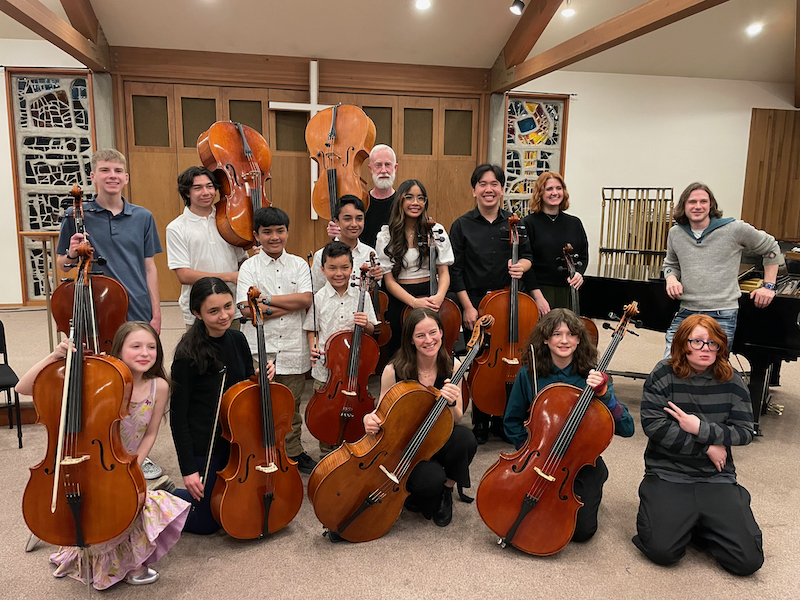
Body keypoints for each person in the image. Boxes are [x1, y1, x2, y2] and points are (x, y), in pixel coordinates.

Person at [16, 322, 189, 588]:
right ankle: (94, 553)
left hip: (123, 464)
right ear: (118, 350)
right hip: (90, 463)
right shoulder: (96, 379)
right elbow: (23, 388)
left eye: (151, 347)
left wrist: (134, 466)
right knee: (99, 511)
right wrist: (54, 357)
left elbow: (151, 432)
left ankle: (131, 561)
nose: (145, 352)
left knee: (133, 505)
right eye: (136, 346)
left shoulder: (159, 387)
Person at [632, 314, 763, 576]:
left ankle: (703, 519)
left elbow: (745, 432)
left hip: (716, 477)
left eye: (713, 343)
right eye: (698, 342)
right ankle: (690, 519)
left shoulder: (733, 381)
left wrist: (700, 428)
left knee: (748, 562)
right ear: (683, 343)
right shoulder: (663, 374)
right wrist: (707, 446)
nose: (706, 349)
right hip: (668, 473)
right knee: (663, 552)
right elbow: (654, 426)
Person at [503, 308, 634, 542]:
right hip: (538, 457)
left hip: (579, 460)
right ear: (545, 338)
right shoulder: (529, 374)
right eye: (556, 334)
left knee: (582, 533)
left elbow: (627, 429)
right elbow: (511, 421)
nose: (564, 340)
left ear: (579, 339)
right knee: (515, 511)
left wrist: (605, 395)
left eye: (571, 334)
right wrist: (530, 452)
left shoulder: (594, 376)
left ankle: (589, 493)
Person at [170, 277, 274, 535]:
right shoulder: (187, 354)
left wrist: (260, 377)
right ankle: (166, 496)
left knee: (237, 504)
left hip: (238, 440)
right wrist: (189, 470)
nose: (224, 315)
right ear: (197, 313)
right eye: (213, 311)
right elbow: (177, 416)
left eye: (228, 306)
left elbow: (247, 387)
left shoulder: (238, 339)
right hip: (206, 444)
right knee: (208, 523)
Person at [363, 308, 477, 527]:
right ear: (411, 340)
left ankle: (447, 490)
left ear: (442, 333)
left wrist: (452, 402)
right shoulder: (393, 370)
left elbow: (457, 418)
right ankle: (425, 487)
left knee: (465, 439)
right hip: (407, 445)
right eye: (420, 335)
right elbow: (380, 414)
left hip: (438, 437)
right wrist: (368, 420)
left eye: (433, 332)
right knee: (428, 484)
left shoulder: (453, 366)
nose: (429, 340)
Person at [450, 163, 533, 444]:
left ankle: (503, 417)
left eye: (494, 183)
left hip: (507, 302)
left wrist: (520, 266)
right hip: (474, 300)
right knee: (478, 360)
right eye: (483, 184)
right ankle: (481, 418)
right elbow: (455, 270)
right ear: (474, 190)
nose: (489, 189)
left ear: (502, 189)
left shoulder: (516, 222)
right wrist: (467, 307)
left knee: (507, 361)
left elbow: (528, 256)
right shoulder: (461, 225)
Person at [237, 207, 316, 473]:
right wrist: (289, 305)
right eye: (267, 232)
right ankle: (261, 452)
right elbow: (247, 310)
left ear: (287, 232)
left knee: (291, 407)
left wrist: (266, 302)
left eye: (280, 231)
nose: (274, 237)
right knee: (260, 405)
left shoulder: (299, 264)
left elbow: (306, 300)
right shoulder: (249, 266)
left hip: (293, 347)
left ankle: (292, 451)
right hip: (260, 347)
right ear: (256, 235)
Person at [663, 182, 781, 356]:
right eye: (692, 202)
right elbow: (671, 263)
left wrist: (768, 286)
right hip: (686, 310)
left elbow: (771, 248)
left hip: (721, 312)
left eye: (703, 201)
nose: (697, 206)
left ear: (711, 205)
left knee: (711, 369)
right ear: (683, 206)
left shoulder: (734, 229)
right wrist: (671, 278)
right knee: (671, 364)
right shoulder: (676, 233)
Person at [56, 149, 162, 332]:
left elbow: (150, 268)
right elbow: (62, 265)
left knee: (138, 358)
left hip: (137, 303)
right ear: (93, 176)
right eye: (105, 170)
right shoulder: (75, 215)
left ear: (126, 177)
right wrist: (71, 255)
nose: (113, 176)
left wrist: (156, 313)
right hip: (97, 303)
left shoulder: (143, 217)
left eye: (118, 171)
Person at [304, 241, 378, 455]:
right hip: (327, 372)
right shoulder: (318, 298)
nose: (339, 273)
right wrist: (313, 346)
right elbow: (311, 329)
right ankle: (327, 453)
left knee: (357, 417)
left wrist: (367, 324)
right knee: (327, 417)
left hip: (357, 372)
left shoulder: (361, 294)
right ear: (322, 269)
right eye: (332, 268)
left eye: (344, 268)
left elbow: (372, 331)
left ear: (352, 267)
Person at [375, 179, 454, 360]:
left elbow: (443, 272)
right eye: (409, 197)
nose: (415, 203)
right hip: (401, 298)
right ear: (400, 201)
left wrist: (439, 297)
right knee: (402, 353)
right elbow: (389, 281)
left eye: (420, 198)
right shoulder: (386, 235)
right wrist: (414, 302)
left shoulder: (436, 230)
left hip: (431, 294)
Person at [166, 166, 248, 331]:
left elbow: (242, 259)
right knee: (201, 355)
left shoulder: (229, 219)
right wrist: (230, 276)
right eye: (198, 188)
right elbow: (184, 275)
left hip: (230, 305)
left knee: (233, 353)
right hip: (199, 307)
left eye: (210, 186)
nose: (206, 192)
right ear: (187, 193)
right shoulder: (176, 228)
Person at [521, 172, 589, 315]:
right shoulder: (528, 223)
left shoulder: (575, 223)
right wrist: (538, 297)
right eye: (549, 189)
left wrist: (579, 274)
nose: (555, 193)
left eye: (559, 188)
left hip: (569, 291)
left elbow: (582, 256)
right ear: (540, 192)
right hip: (540, 291)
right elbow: (526, 262)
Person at [327, 144, 398, 248]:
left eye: (387, 164)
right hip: (362, 260)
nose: (383, 170)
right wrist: (338, 231)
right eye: (378, 165)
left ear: (395, 168)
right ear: (370, 168)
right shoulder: (360, 202)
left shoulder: (402, 203)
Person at [311, 195, 382, 293]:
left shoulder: (370, 252)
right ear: (337, 221)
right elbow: (316, 291)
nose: (354, 224)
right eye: (347, 219)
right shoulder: (321, 255)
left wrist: (375, 280)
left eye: (359, 219)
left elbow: (374, 291)